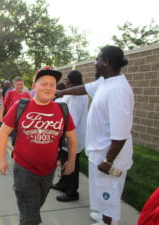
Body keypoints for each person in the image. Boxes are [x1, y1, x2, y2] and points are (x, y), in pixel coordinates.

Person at [57, 46, 134, 225]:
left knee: (110, 190)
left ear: (106, 62)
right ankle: (104, 215)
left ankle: (108, 221)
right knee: (101, 189)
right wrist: (61, 92)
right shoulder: (105, 82)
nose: (94, 62)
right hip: (99, 150)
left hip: (110, 155)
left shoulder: (118, 90)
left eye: (97, 59)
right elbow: (84, 88)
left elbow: (120, 134)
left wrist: (108, 161)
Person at [0, 67, 77, 225]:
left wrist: (72, 161)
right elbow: (3, 132)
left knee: (33, 207)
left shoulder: (62, 110)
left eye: (52, 84)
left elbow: (72, 138)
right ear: (34, 86)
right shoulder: (21, 106)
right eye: (44, 83)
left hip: (49, 171)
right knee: (30, 216)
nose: (48, 87)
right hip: (25, 171)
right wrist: (1, 159)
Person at [52, 70, 88, 202]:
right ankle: (63, 183)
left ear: (71, 82)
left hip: (72, 137)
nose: (65, 82)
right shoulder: (71, 93)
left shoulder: (78, 98)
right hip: (66, 136)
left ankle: (72, 192)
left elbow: (71, 120)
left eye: (67, 80)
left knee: (71, 163)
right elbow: (61, 100)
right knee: (63, 159)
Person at [0, 76, 31, 146]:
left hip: (23, 121)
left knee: (22, 139)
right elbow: (3, 105)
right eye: (18, 85)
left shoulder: (27, 95)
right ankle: (15, 154)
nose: (20, 86)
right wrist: (1, 116)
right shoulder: (11, 93)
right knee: (14, 140)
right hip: (12, 120)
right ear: (14, 85)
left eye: (21, 84)